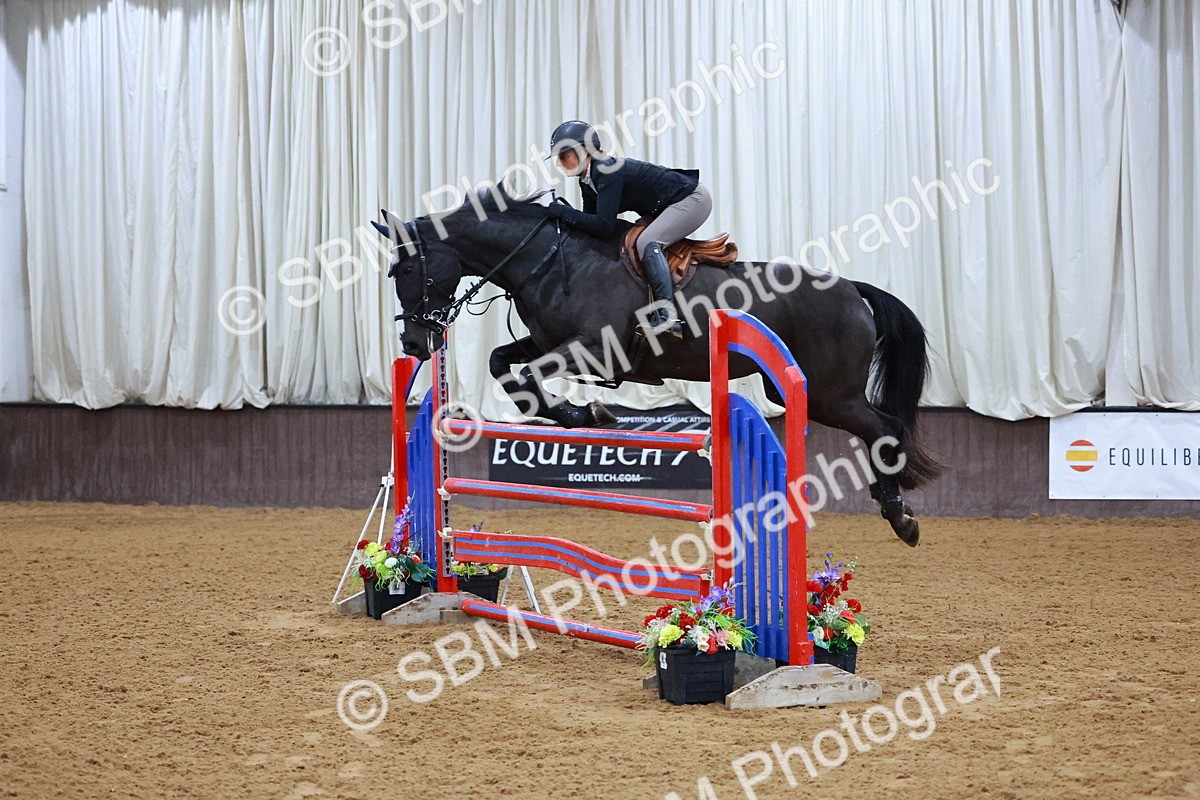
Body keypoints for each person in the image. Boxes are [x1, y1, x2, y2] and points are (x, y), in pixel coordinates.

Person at [544, 120, 712, 339]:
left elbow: (604, 225)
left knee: (646, 243)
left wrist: (563, 213)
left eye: (564, 155)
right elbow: (591, 226)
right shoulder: (587, 180)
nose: (560, 162)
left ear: (584, 151)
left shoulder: (606, 169)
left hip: (691, 199)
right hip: (663, 206)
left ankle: (668, 316)